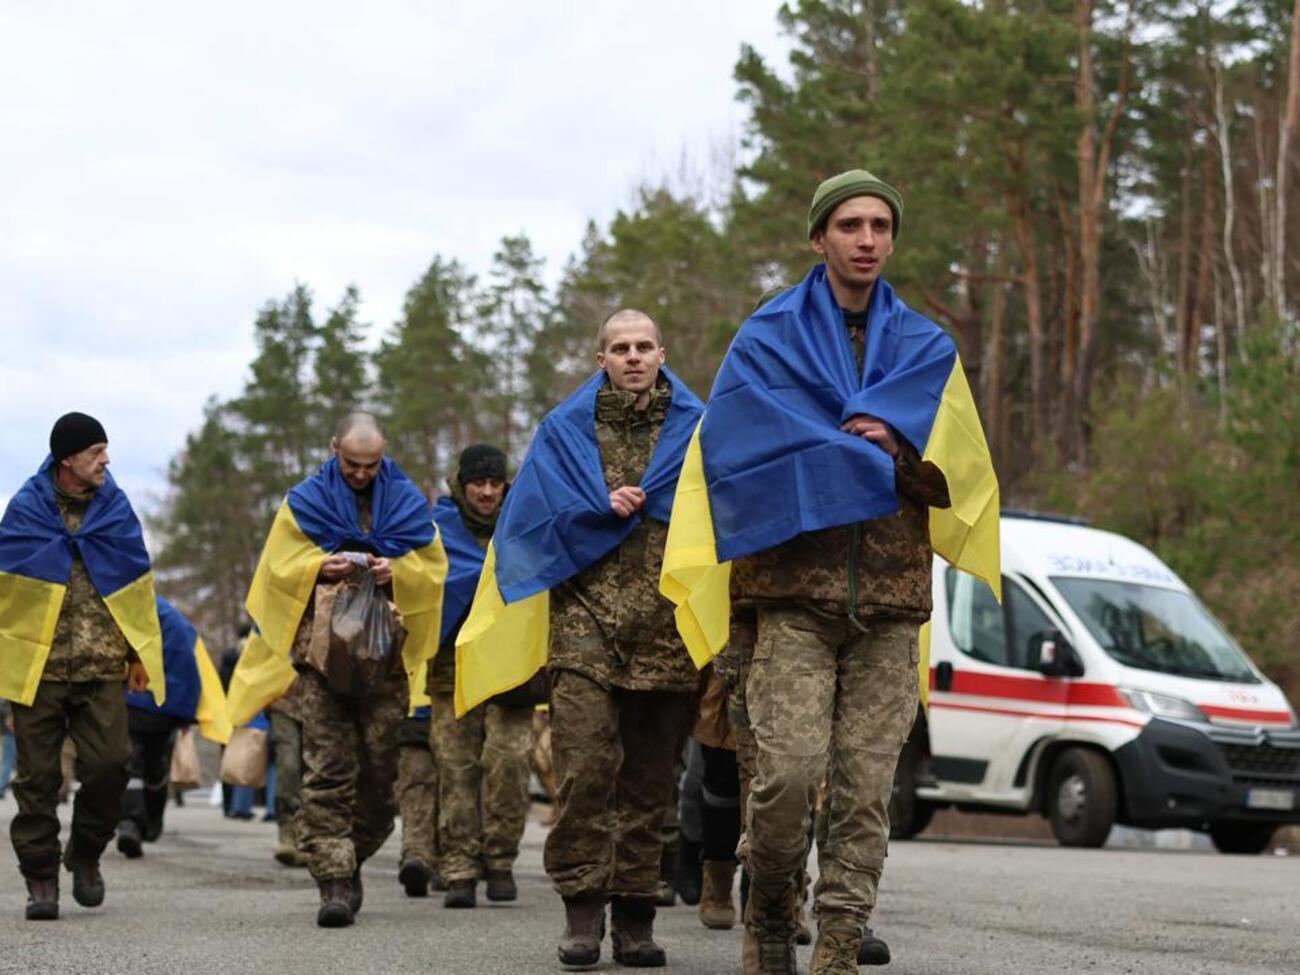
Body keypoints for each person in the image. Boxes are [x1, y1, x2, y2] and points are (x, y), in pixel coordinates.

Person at [659, 170, 1001, 973]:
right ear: (820, 238)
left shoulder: (925, 348)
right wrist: (836, 445)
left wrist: (900, 447)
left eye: (881, 225)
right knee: (783, 778)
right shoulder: (767, 339)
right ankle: (773, 907)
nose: (868, 239)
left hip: (889, 601)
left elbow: (957, 477)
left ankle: (841, 945)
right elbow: (733, 461)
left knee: (862, 792)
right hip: (790, 600)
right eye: (850, 224)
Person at [456, 310, 705, 968]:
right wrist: (597, 505)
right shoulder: (566, 431)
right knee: (584, 771)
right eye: (619, 348)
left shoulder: (699, 429)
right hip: (583, 628)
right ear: (601, 357)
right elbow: (531, 521)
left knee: (650, 781)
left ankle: (636, 918)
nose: (632, 357)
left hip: (665, 631)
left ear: (662, 351)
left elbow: (721, 509)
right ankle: (582, 910)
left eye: (643, 346)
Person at [225, 411, 447, 928]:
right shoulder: (305, 502)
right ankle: (334, 880)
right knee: (327, 770)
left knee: (378, 772)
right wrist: (316, 566)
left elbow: (433, 568)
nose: (361, 474)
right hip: (322, 659)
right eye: (352, 464)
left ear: (383, 454)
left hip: (385, 662)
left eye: (371, 465)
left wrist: (401, 570)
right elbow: (276, 567)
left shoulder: (408, 501)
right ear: (333, 450)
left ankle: (352, 855)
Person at [0, 413, 166, 920]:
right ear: (67, 459)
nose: (106, 460)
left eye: (106, 450)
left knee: (110, 765)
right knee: (37, 779)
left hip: (100, 666)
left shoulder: (115, 510)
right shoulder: (26, 511)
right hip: (40, 667)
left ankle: (86, 854)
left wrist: (138, 652)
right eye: (96, 452)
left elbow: (137, 585)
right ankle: (42, 877)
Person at [427, 444, 535, 909]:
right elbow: (424, 580)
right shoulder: (436, 528)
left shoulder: (525, 520)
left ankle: (501, 859)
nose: (488, 492)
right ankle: (458, 866)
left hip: (510, 660)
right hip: (451, 664)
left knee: (510, 762)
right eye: (479, 483)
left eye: (495, 483)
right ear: (462, 483)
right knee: (455, 765)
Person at [117, 596, 231, 857]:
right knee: (153, 764)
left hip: (132, 701)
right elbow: (186, 664)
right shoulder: (171, 618)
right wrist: (185, 713)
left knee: (131, 762)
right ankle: (147, 821)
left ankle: (131, 822)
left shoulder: (124, 608)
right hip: (162, 707)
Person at [394, 702, 439, 895]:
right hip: (416, 709)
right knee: (416, 783)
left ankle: (431, 857)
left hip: (455, 707)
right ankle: (417, 855)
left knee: (453, 789)